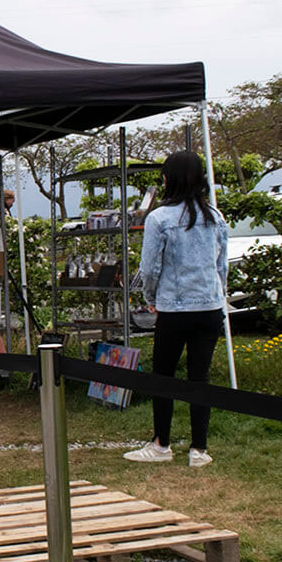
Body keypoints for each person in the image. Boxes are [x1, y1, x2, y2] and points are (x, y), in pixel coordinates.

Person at [123, 150, 228, 468]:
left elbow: (149, 267)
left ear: (169, 179)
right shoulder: (215, 216)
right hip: (210, 307)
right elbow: (221, 266)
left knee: (163, 376)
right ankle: (199, 449)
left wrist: (151, 296)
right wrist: (217, 295)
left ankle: (162, 444)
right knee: (200, 379)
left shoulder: (159, 218)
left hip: (174, 308)